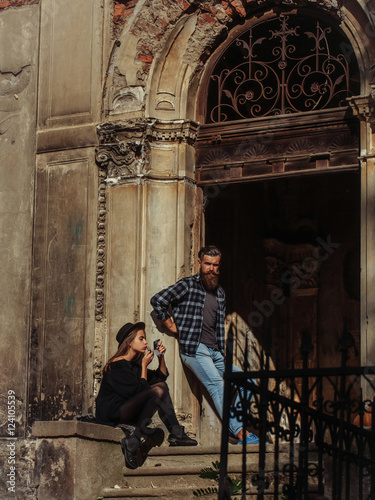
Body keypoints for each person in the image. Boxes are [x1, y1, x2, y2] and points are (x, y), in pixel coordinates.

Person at [150, 245, 259, 445]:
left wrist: (222, 351)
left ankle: (236, 427)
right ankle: (240, 432)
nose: (211, 268)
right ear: (199, 264)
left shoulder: (220, 293)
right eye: (207, 264)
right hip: (195, 349)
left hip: (215, 351)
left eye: (215, 265)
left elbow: (218, 325)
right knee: (218, 385)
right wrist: (170, 324)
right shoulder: (188, 285)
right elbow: (158, 300)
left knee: (248, 383)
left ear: (219, 267)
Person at [95, 321, 197, 469]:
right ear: (129, 342)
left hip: (127, 409)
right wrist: (143, 366)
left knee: (160, 387)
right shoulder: (116, 365)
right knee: (157, 391)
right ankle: (136, 440)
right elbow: (137, 392)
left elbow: (161, 378)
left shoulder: (133, 366)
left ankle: (175, 432)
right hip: (112, 413)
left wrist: (160, 357)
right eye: (141, 338)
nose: (146, 342)